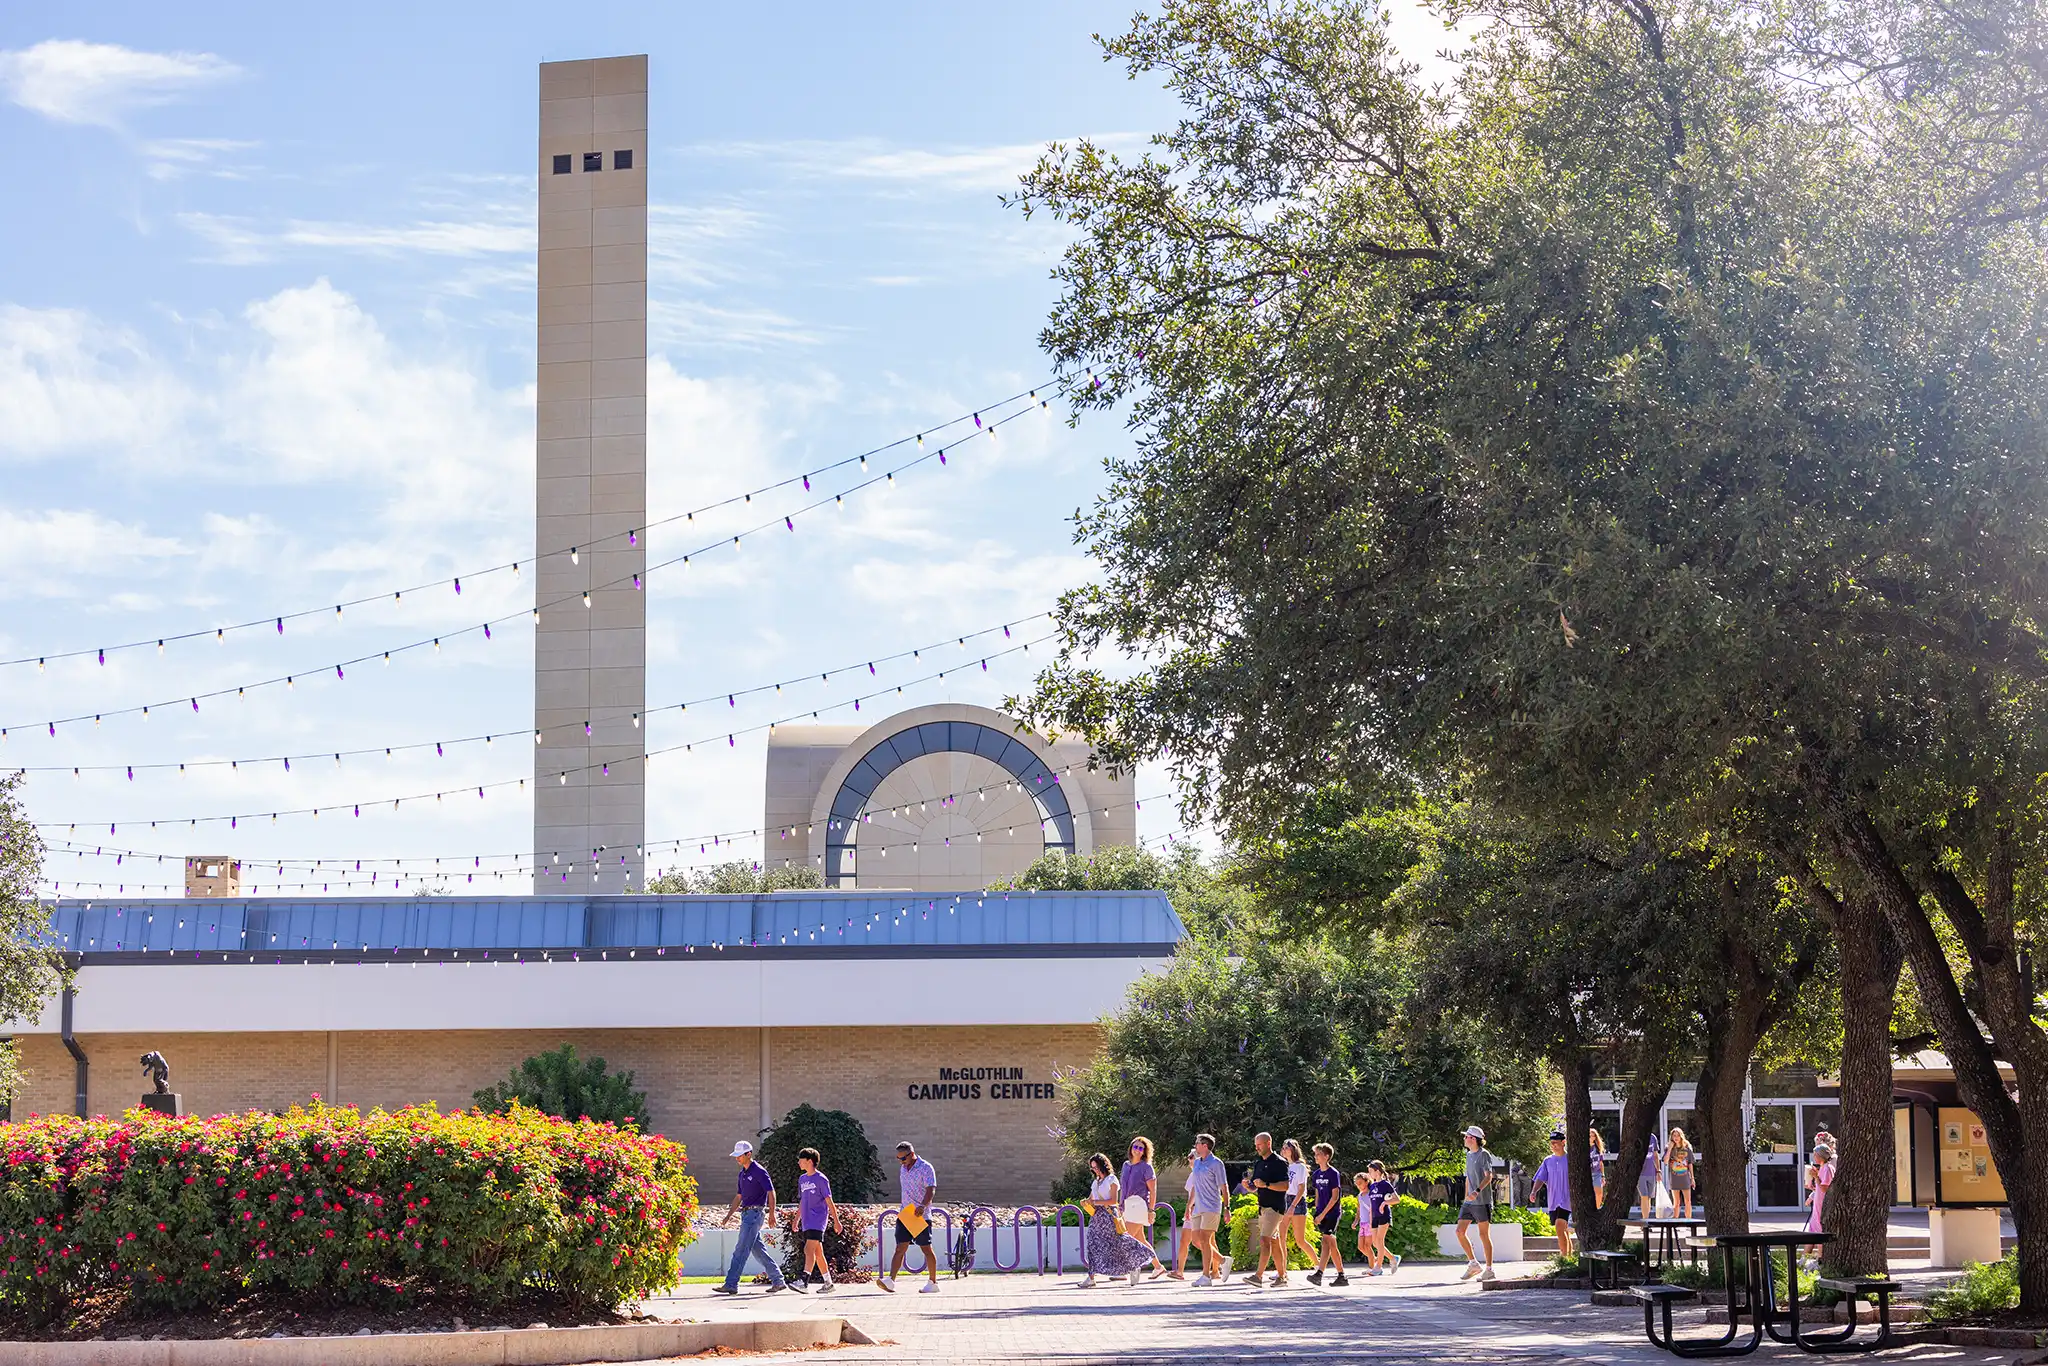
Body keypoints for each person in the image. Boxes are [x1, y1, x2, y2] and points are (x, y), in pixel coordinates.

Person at [714, 1140, 790, 1296]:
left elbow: (771, 1192)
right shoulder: (742, 1173)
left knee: (740, 1249)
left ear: (749, 1154)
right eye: (736, 1156)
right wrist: (728, 1215)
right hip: (746, 1215)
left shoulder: (759, 1171)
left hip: (755, 1215)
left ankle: (731, 1283)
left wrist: (771, 1213)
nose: (737, 1159)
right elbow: (739, 1196)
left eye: (739, 1155)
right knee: (759, 1251)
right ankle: (778, 1280)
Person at [1080, 1152, 1163, 1288]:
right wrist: (1087, 1202)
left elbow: (1113, 1200)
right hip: (1097, 1217)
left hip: (1109, 1216)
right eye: (1092, 1168)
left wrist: (1096, 1201)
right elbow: (1092, 1199)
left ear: (1103, 1166)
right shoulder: (1096, 1182)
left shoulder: (1111, 1180)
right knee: (1092, 1245)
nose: (1095, 1170)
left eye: (1096, 1167)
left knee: (1121, 1241)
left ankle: (1140, 1261)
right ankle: (1091, 1277)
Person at [879, 1141, 941, 1294]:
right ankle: (891, 1281)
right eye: (898, 1159)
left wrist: (922, 1206)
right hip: (905, 1214)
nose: (901, 1162)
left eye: (903, 1158)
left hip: (920, 1215)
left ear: (912, 1154)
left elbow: (930, 1190)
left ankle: (933, 1283)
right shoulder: (903, 1168)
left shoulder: (926, 1167)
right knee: (900, 1247)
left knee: (926, 1248)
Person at [1178, 1133, 1233, 1285]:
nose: (1195, 1146)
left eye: (1197, 1143)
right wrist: (1189, 1206)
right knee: (1196, 1240)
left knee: (1205, 1238)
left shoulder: (1217, 1163)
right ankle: (1223, 1260)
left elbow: (1224, 1186)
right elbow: (1195, 1186)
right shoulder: (1196, 1163)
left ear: (1205, 1146)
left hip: (1212, 1206)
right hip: (1198, 1208)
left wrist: (1227, 1208)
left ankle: (1206, 1276)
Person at [1238, 1131, 1291, 1287]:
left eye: (1259, 1145)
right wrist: (1249, 1186)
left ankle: (1258, 1276)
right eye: (1256, 1145)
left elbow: (1285, 1186)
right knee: (1274, 1242)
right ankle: (1282, 1277)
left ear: (1268, 1143)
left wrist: (1267, 1185)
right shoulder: (1259, 1163)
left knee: (1264, 1240)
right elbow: (1256, 1186)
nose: (1257, 1148)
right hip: (1263, 1207)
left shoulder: (1279, 1162)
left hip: (1275, 1207)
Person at [794, 1146, 840, 1293]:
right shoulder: (802, 1179)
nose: (798, 1163)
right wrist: (796, 1220)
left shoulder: (821, 1179)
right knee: (817, 1253)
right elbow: (802, 1202)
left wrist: (837, 1221)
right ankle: (828, 1283)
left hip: (818, 1220)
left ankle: (804, 1282)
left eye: (801, 1159)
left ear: (809, 1161)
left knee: (808, 1249)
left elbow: (829, 1201)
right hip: (807, 1222)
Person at [1120, 1136, 1168, 1278]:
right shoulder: (1126, 1165)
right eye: (1135, 1147)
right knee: (1140, 1239)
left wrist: (1151, 1210)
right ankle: (1158, 1267)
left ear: (1145, 1152)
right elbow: (1122, 1187)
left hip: (1139, 1204)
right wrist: (1120, 1205)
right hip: (1127, 1204)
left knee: (1126, 1237)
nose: (1138, 1150)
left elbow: (1153, 1190)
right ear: (1131, 1148)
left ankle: (1125, 1269)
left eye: (1141, 1148)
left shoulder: (1146, 1167)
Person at [1455, 1124, 1497, 1281]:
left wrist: (1476, 1191)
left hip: (1482, 1201)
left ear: (1473, 1139)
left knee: (1483, 1234)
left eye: (1466, 1137)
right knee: (1459, 1231)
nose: (1464, 1139)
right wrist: (1467, 1196)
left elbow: (1488, 1176)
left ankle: (1489, 1269)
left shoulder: (1483, 1154)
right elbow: (1468, 1178)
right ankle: (1473, 1263)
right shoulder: (1468, 1155)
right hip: (1469, 1203)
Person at [1306, 1142, 1349, 1286]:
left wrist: (1323, 1214)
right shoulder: (1316, 1174)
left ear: (1326, 1156)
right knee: (1327, 1243)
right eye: (1315, 1154)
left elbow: (1335, 1197)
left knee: (1329, 1240)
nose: (1316, 1157)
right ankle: (1322, 1274)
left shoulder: (1333, 1173)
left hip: (1332, 1213)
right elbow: (1318, 1194)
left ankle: (1339, 1275)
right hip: (1322, 1213)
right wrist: (1317, 1212)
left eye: (1318, 1154)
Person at [1529, 1131, 1574, 1260]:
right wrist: (1534, 1191)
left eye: (1555, 1143)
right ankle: (1569, 1258)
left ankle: (1563, 1257)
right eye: (1551, 1143)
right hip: (1553, 1200)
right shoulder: (1548, 1160)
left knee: (1560, 1228)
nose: (1553, 1145)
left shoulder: (1570, 1159)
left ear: (1563, 1142)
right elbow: (1540, 1178)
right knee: (1563, 1230)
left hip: (1567, 1200)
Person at [1357, 1161, 1401, 1276]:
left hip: (1384, 1216)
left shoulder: (1385, 1184)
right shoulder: (1372, 1186)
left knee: (1380, 1241)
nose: (1369, 1173)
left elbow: (1397, 1199)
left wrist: (1385, 1203)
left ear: (1377, 1171)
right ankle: (1393, 1258)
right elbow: (1372, 1204)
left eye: (1371, 1171)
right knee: (1376, 1244)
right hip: (1375, 1217)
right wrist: (1371, 1219)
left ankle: (1378, 1267)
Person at [1280, 1138, 1312, 1282]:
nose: (1284, 1150)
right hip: (1285, 1199)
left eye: (1287, 1147)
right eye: (1283, 1147)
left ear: (1293, 1149)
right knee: (1280, 1236)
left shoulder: (1300, 1167)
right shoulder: (1286, 1166)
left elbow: (1301, 1188)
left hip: (1297, 1201)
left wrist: (1293, 1206)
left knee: (1300, 1240)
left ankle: (1319, 1265)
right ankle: (1282, 1270)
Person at [1804, 1141, 1835, 1263]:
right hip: (1818, 1204)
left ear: (1821, 1155)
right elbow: (1819, 1186)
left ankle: (1820, 1260)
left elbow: (1826, 1188)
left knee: (1819, 1231)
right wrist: (1812, 1191)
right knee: (1812, 1231)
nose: (1814, 1157)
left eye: (1815, 1154)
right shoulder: (1822, 1168)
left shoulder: (1827, 1168)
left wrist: (1816, 1177)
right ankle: (1804, 1258)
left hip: (1823, 1205)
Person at [1664, 1127, 1696, 1220]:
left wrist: (1692, 1178)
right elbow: (1665, 1161)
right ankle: (1675, 1221)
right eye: (1674, 1136)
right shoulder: (1668, 1148)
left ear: (1681, 1136)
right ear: (1671, 1137)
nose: (1676, 1137)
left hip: (1685, 1178)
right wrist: (1669, 1148)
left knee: (1688, 1201)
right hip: (1674, 1179)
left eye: (1678, 1135)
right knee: (1676, 1202)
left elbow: (1690, 1163)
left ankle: (1688, 1221)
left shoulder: (1686, 1148)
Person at [1638, 1133, 1663, 1220]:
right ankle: (1645, 1222)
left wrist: (1658, 1170)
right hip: (1640, 1173)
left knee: (1648, 1198)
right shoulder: (1637, 1136)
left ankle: (1646, 1219)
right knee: (1644, 1196)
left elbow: (1655, 1155)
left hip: (1651, 1172)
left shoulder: (1653, 1138)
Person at [1589, 1126, 1609, 1209]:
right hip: (1588, 1174)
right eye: (1590, 1135)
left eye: (1593, 1135)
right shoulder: (1584, 1148)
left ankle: (1597, 1209)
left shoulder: (1597, 1148)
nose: (1591, 1137)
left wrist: (1603, 1175)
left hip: (1597, 1173)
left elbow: (1601, 1163)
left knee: (1599, 1193)